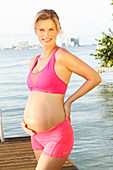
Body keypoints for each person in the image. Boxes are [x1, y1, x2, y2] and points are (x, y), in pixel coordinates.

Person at [21, 9, 102, 170]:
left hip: (56, 135)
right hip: (36, 136)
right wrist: (26, 120)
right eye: (42, 29)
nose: (47, 34)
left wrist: (69, 101)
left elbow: (94, 78)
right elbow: (36, 96)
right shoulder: (34, 61)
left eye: (51, 29)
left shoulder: (61, 56)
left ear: (58, 30)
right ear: (36, 31)